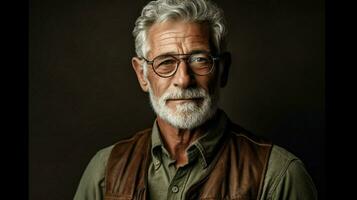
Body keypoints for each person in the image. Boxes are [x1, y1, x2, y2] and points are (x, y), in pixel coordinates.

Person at [74, 0, 317, 199]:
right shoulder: (105, 170)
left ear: (223, 70)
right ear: (142, 75)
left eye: (199, 59)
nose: (183, 79)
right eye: (165, 62)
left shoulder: (279, 175)